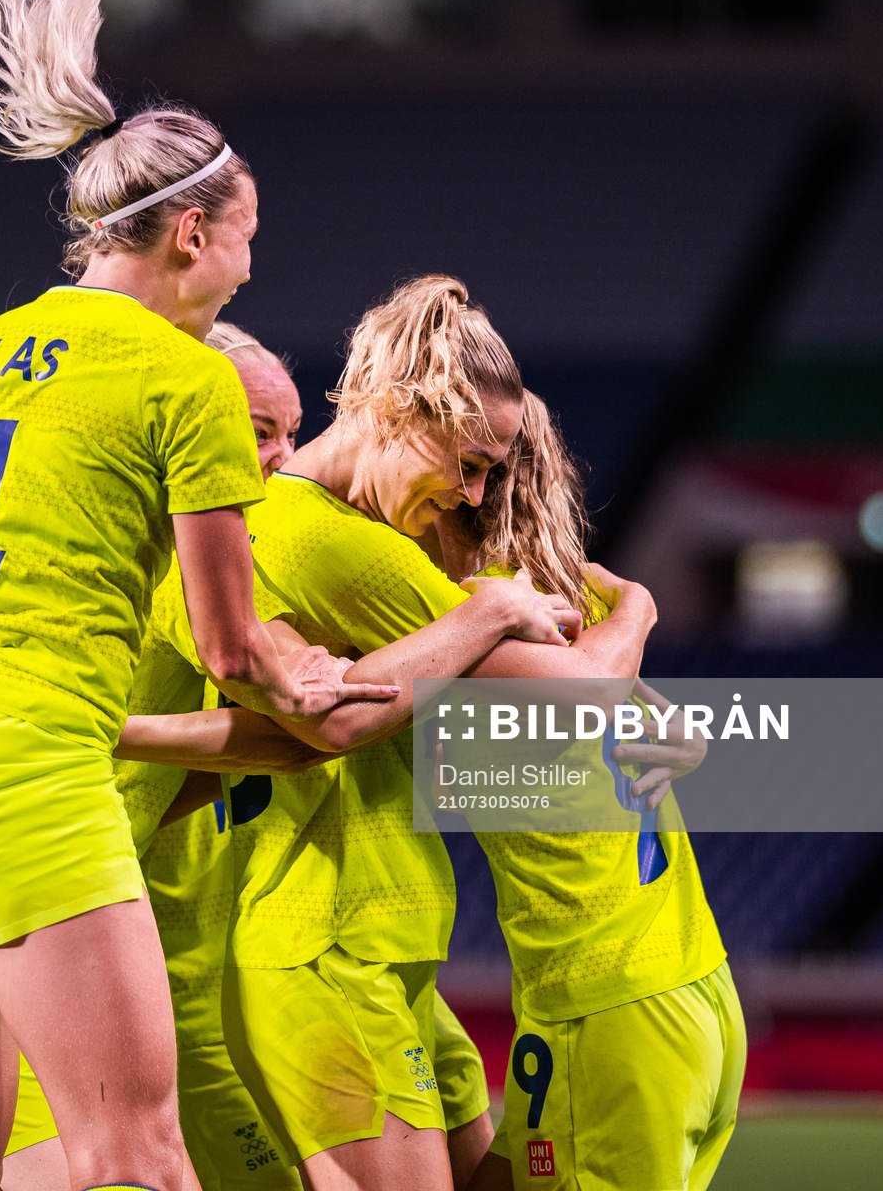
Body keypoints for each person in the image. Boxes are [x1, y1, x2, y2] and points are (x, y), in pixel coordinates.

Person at [0, 0, 402, 1188]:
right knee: (136, 1153)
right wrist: (314, 683)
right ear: (191, 236)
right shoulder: (184, 376)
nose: (254, 264)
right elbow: (227, 644)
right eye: (250, 234)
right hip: (24, 756)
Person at [143, 276, 660, 1189]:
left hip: (378, 944)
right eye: (465, 463)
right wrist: (598, 607)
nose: (469, 495)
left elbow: (304, 721)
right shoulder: (325, 542)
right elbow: (578, 700)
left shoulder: (332, 532)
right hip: (324, 946)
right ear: (391, 409)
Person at [429, 394, 744, 1191]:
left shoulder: (475, 616)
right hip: (685, 981)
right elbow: (670, 733)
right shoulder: (587, 602)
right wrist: (638, 606)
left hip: (607, 1006)